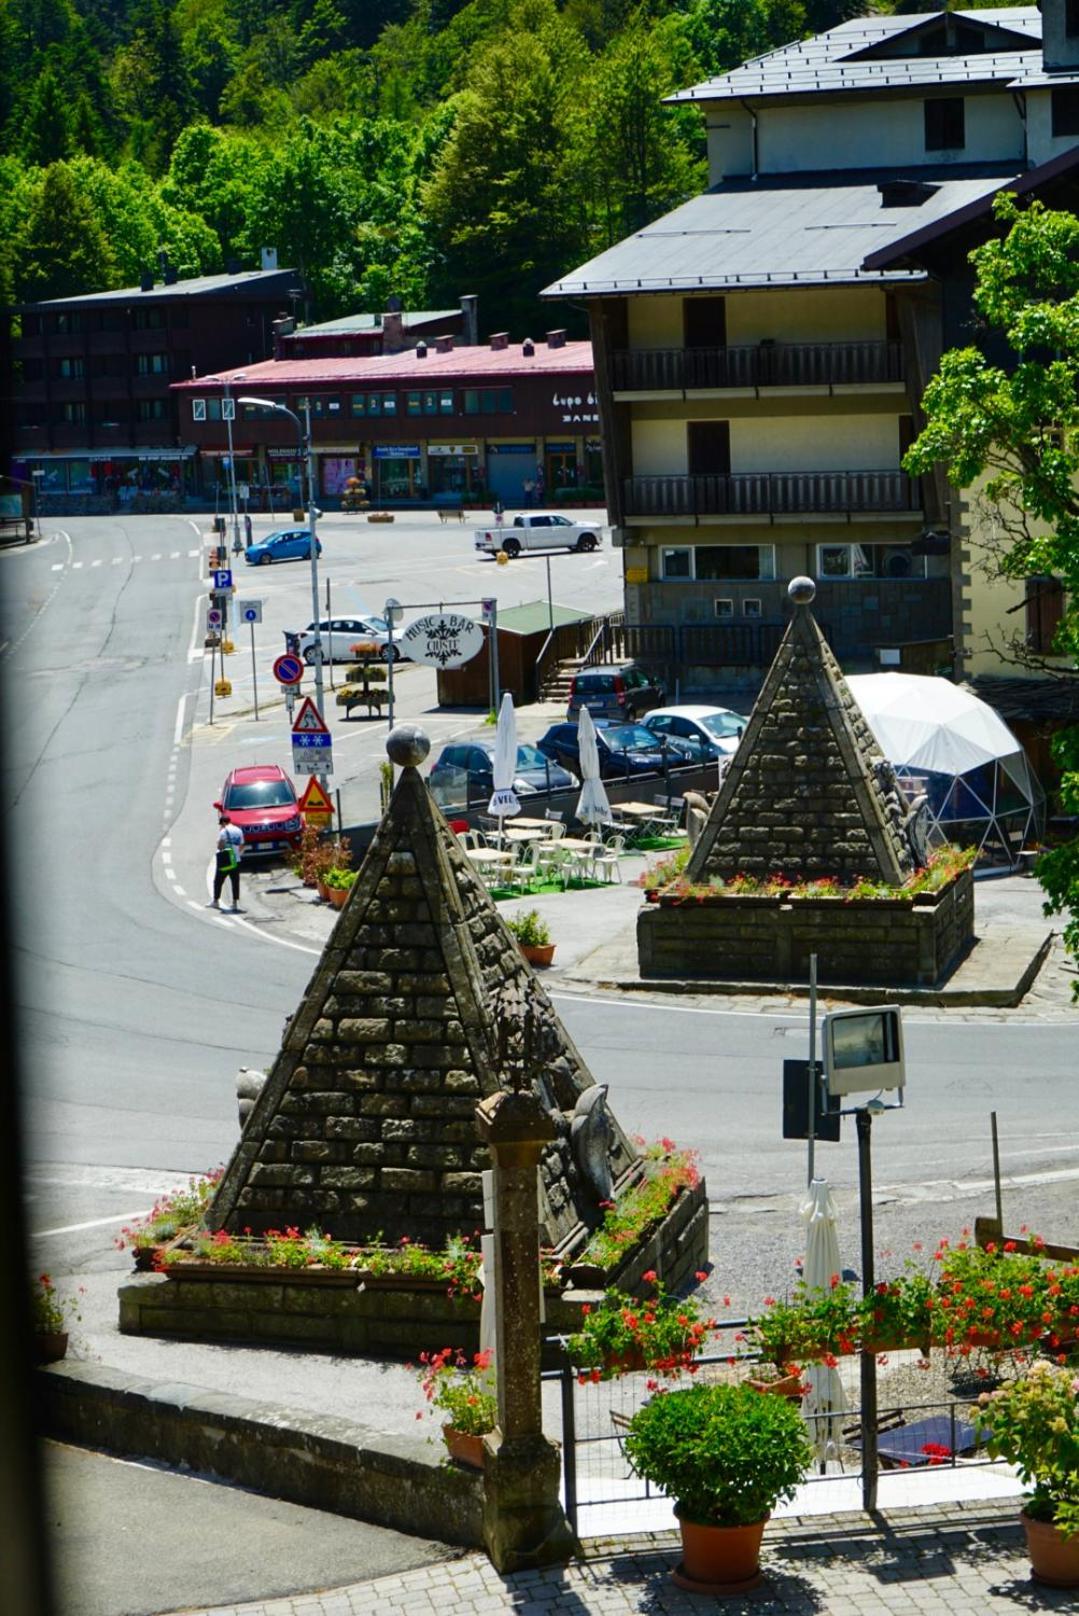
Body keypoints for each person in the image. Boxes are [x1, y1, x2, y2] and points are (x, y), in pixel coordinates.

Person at [211, 813, 244, 910]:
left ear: (224, 823)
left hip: (225, 860)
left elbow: (220, 846)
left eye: (221, 824)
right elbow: (242, 845)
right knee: (235, 881)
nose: (221, 826)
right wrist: (237, 854)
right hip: (236, 860)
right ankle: (235, 903)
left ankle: (216, 901)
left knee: (218, 880)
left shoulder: (224, 831)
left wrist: (218, 844)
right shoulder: (239, 830)